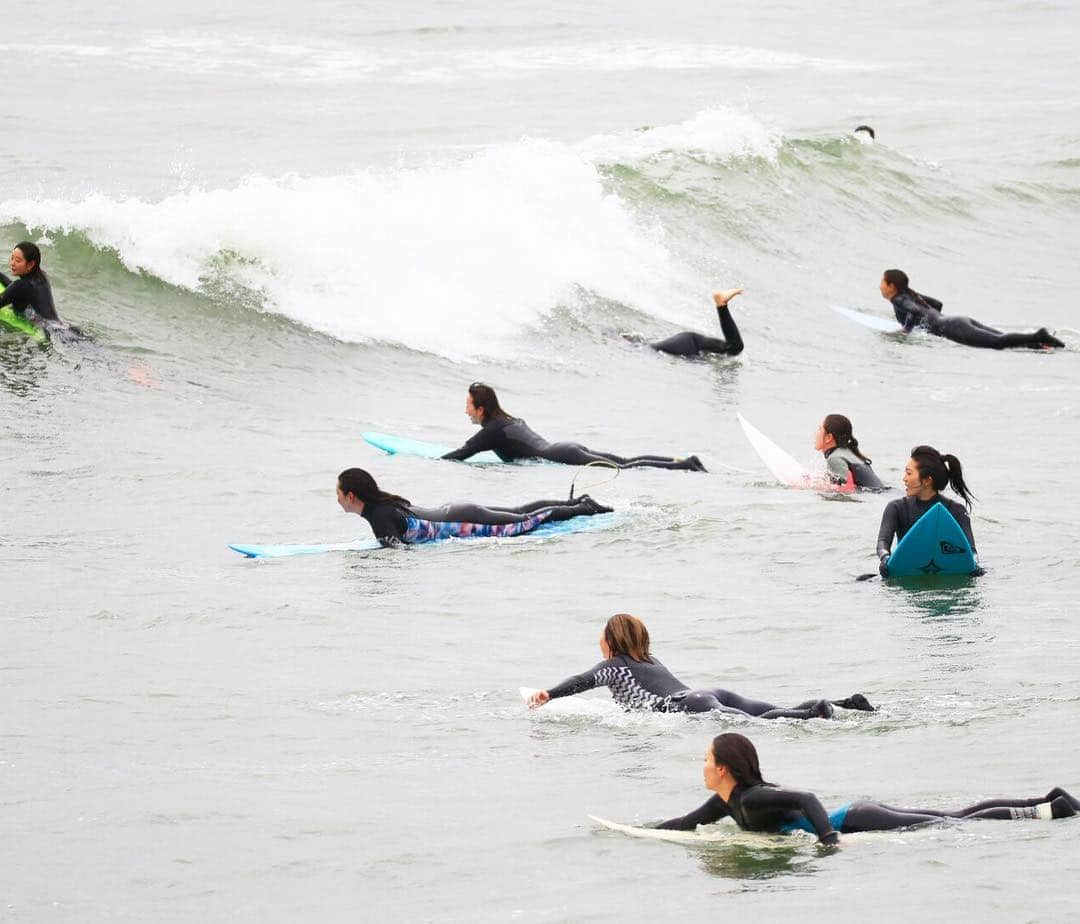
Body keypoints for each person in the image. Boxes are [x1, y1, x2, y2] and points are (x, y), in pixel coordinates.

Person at [655, 733, 1078, 845]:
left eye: (707, 760)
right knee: (958, 815)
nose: (703, 766)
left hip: (859, 819)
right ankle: (1046, 800)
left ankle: (1048, 810)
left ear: (724, 768)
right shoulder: (725, 801)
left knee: (951, 821)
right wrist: (636, 830)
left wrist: (829, 839)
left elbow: (807, 799)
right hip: (859, 815)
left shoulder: (752, 797)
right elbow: (687, 823)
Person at [526, 613, 874, 719]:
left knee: (762, 722)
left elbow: (581, 680)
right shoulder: (651, 659)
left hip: (687, 705)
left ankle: (815, 714)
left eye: (601, 637)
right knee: (772, 710)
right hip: (707, 692)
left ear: (611, 641)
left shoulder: (615, 666)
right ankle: (843, 703)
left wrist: (549, 694)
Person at [441, 383, 706, 471]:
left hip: (562, 455)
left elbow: (461, 455)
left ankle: (685, 465)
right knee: (624, 462)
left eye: (468, 405)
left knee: (623, 468)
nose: (465, 410)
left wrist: (429, 462)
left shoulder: (492, 430)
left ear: (480, 409)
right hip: (565, 448)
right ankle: (683, 461)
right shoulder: (505, 421)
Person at [336, 468, 611, 547]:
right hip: (457, 512)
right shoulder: (379, 509)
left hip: (464, 519)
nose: (336, 498)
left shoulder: (379, 515)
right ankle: (575, 502)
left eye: (338, 493)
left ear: (351, 496)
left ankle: (584, 507)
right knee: (519, 511)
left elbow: (397, 552)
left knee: (525, 521)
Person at [880, 269, 1064, 349]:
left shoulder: (898, 299)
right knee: (1001, 338)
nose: (880, 285)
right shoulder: (912, 295)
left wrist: (906, 330)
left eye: (882, 281)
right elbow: (937, 304)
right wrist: (930, 322)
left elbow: (915, 312)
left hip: (953, 328)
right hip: (957, 321)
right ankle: (1039, 344)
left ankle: (1039, 336)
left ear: (891, 286)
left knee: (997, 343)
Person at [877, 445, 976, 577]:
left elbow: (971, 550)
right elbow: (882, 542)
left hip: (946, 576)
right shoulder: (896, 508)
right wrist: (885, 559)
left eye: (909, 473)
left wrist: (974, 564)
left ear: (927, 481)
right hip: (907, 573)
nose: (904, 479)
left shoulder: (956, 511)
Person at [645, 288, 746, 357]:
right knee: (648, 348)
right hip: (689, 343)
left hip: (690, 343)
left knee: (648, 348)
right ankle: (721, 304)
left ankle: (721, 304)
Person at [814, 414, 884, 490]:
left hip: (872, 495)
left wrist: (810, 487)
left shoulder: (835, 458)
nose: (815, 434)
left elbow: (844, 489)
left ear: (828, 438)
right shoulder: (848, 453)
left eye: (819, 429)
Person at [0, 242, 61, 324]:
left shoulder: (20, 286)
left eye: (18, 261)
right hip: (59, 326)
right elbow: (14, 288)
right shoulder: (41, 278)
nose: (12, 263)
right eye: (12, 258)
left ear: (30, 264)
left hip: (48, 331)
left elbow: (14, 289)